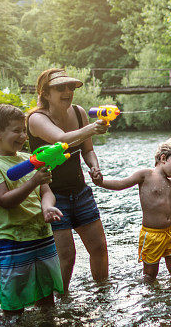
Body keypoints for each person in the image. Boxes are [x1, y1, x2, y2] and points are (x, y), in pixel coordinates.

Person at [0, 104, 65, 315]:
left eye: (24, 130)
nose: (23, 136)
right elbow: (5, 200)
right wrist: (34, 181)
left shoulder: (28, 159)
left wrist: (47, 207)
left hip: (41, 234)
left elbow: (47, 191)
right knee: (14, 304)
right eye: (17, 131)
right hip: (11, 240)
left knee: (47, 299)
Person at [27, 68, 110, 292]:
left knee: (100, 248)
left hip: (80, 191)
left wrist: (94, 167)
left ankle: (103, 294)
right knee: (66, 256)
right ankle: (59, 304)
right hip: (51, 195)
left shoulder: (79, 112)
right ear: (45, 93)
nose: (67, 92)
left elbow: (88, 150)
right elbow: (62, 140)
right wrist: (92, 128)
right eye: (60, 88)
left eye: (70, 87)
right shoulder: (36, 118)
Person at [93, 138, 171, 281]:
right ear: (163, 158)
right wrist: (101, 182)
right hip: (152, 234)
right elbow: (120, 184)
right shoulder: (146, 175)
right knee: (150, 275)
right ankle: (150, 299)